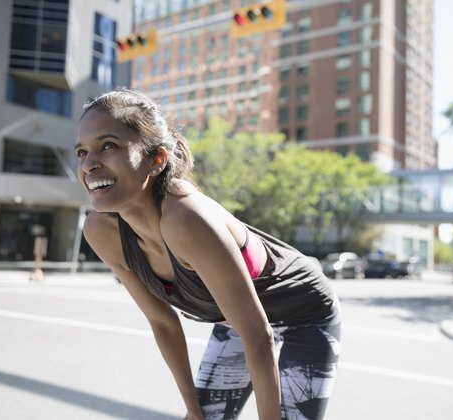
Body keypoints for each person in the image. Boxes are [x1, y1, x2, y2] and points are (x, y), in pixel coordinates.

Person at [75, 88, 341, 420]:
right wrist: (193, 410)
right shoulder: (102, 233)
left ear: (156, 159)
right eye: (81, 152)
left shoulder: (185, 219)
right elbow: (163, 323)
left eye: (108, 146)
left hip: (305, 314)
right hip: (239, 322)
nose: (89, 164)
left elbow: (258, 336)